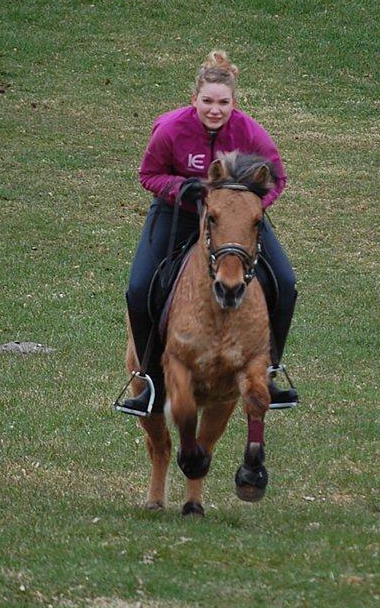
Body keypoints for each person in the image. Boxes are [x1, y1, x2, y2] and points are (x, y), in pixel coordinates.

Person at [120, 50, 298, 416]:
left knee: (285, 281)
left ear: (234, 102)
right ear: (194, 100)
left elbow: (277, 178)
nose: (214, 110)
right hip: (178, 214)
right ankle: (150, 381)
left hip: (234, 221)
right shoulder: (170, 129)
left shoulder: (249, 132)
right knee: (138, 288)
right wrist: (178, 188)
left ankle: (270, 369)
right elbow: (147, 174)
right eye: (207, 101)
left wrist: (251, 206)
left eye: (223, 102)